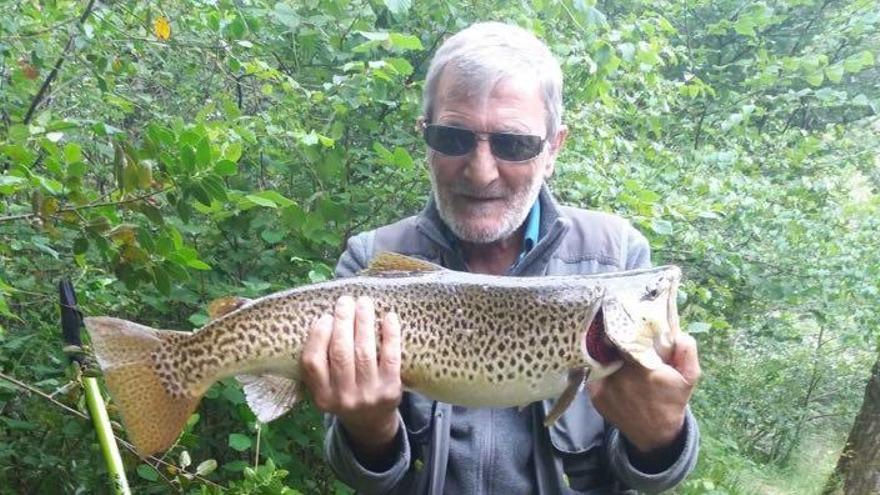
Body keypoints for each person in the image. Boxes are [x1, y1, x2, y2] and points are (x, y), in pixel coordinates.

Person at [300, 21, 701, 494]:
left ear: (553, 149)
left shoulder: (617, 259)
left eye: (514, 144)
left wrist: (661, 437)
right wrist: (368, 429)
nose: (482, 171)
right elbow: (364, 474)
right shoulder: (370, 260)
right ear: (424, 137)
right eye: (454, 138)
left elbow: (651, 473)